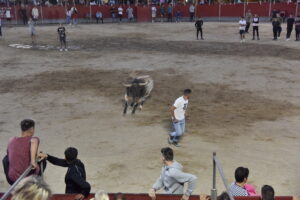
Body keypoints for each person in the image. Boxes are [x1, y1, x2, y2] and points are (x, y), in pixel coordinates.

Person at [6, 119, 44, 184]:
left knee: (5, 158)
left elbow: (9, 154)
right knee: (43, 159)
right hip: (27, 177)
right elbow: (33, 141)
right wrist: (33, 160)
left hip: (12, 178)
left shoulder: (11, 139)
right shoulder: (34, 139)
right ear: (32, 129)